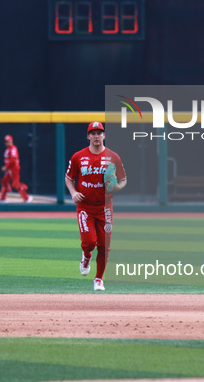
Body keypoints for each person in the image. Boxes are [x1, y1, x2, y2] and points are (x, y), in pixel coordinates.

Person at [65, 122, 127, 291]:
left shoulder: (113, 157)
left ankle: (98, 279)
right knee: (89, 242)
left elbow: (123, 179)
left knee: (104, 246)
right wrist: (72, 193)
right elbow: (69, 178)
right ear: (88, 136)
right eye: (93, 133)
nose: (96, 136)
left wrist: (116, 187)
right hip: (85, 206)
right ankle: (86, 255)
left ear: (104, 135)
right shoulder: (78, 156)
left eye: (99, 132)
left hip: (105, 207)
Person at [0, 134, 33, 203]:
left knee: (15, 184)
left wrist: (6, 166)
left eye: (9, 141)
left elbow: (13, 159)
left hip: (14, 168)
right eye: (6, 142)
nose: (7, 143)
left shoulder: (13, 148)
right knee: (4, 181)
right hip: (10, 169)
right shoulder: (8, 149)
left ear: (12, 141)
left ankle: (27, 197)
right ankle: (3, 199)